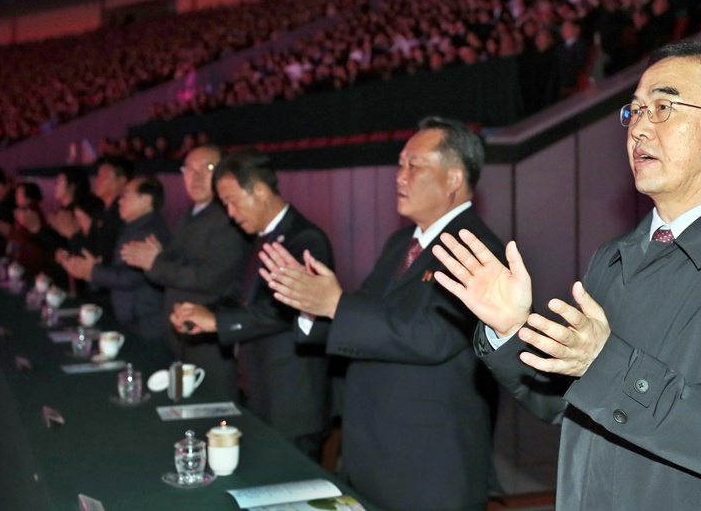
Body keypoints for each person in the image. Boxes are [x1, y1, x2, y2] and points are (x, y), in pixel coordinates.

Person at [430, 41, 701, 510]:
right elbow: (565, 404)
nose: (640, 128)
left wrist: (603, 363)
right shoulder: (614, 257)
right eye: (635, 110)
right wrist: (511, 330)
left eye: (664, 107)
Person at [260, 117, 503, 511]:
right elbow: (367, 317)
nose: (399, 177)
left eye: (414, 165)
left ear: (454, 179)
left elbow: (431, 336)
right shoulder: (400, 242)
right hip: (376, 452)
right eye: (399, 164)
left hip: (427, 465)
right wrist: (311, 306)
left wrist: (334, 303)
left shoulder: (475, 248)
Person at [169, 148, 333, 461]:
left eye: (232, 201)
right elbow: (241, 295)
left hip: (292, 403)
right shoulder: (260, 236)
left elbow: (283, 311)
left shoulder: (305, 238)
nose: (229, 213)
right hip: (260, 391)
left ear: (259, 190)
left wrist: (218, 322)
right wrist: (203, 312)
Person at [120, 145, 251, 398]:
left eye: (208, 168)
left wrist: (156, 262)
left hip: (209, 338)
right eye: (190, 169)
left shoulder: (227, 216)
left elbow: (208, 276)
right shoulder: (188, 215)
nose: (197, 176)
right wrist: (156, 260)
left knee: (214, 408)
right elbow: (173, 268)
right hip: (181, 334)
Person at [62, 175, 171, 353]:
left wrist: (92, 272)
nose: (120, 201)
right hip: (133, 319)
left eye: (126, 195)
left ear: (146, 200)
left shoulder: (149, 232)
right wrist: (91, 270)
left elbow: (133, 276)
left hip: (145, 321)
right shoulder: (134, 227)